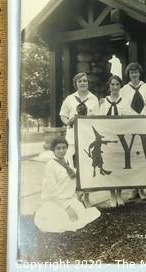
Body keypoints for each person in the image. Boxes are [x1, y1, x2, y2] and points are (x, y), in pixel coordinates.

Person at [34, 137, 100, 233]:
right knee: (61, 220)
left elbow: (72, 177)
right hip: (55, 200)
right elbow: (52, 190)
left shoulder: (66, 161)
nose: (61, 151)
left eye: (64, 147)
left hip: (68, 198)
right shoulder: (50, 166)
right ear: (53, 149)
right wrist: (67, 207)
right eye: (58, 148)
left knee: (80, 213)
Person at [60, 72, 99, 206]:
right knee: (71, 165)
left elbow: (97, 119)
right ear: (76, 84)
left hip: (87, 137)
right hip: (72, 137)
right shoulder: (70, 99)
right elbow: (63, 115)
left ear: (88, 83)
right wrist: (67, 122)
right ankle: (76, 194)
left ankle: (86, 195)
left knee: (87, 166)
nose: (83, 83)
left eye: (85, 81)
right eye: (80, 81)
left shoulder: (93, 99)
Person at [120, 62, 146, 200]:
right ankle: (134, 188)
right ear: (129, 74)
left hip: (144, 126)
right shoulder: (124, 90)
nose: (134, 75)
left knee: (143, 156)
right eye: (132, 73)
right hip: (131, 126)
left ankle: (142, 187)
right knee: (132, 156)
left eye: (136, 72)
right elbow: (122, 109)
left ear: (140, 73)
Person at [100, 75, 125, 207]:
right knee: (109, 166)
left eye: (117, 85)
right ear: (109, 86)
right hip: (107, 138)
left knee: (119, 166)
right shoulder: (104, 102)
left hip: (120, 138)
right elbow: (99, 120)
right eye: (112, 84)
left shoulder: (124, 102)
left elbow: (128, 121)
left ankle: (119, 194)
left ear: (120, 86)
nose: (115, 87)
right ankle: (112, 194)